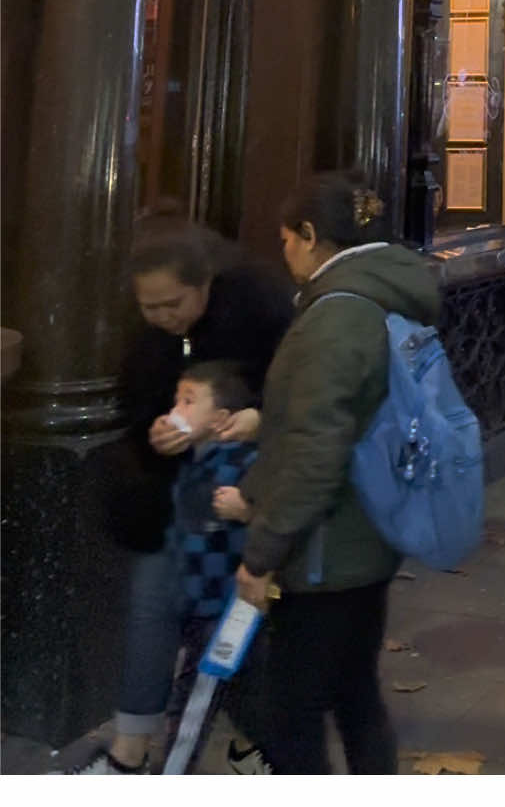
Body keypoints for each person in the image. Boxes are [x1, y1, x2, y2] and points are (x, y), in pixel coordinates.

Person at [235, 171, 440, 774]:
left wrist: (263, 552)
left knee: (295, 713)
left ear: (308, 235)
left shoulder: (335, 317)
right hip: (370, 534)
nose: (285, 256)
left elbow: (316, 453)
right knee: (355, 695)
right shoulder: (381, 296)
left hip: (326, 549)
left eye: (286, 242)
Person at [73, 220, 292, 774]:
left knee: (236, 632)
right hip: (172, 501)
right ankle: (129, 752)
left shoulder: (260, 312)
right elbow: (137, 400)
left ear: (205, 283)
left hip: (244, 501)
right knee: (154, 607)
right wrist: (155, 433)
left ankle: (259, 747)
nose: (163, 317)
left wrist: (255, 420)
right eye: (149, 307)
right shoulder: (147, 339)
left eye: (172, 303)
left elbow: (299, 401)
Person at [158, 362, 263, 768]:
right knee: (242, 694)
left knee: (192, 704)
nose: (175, 410)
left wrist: (248, 510)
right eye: (176, 399)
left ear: (220, 419)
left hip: (222, 608)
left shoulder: (241, 465)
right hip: (195, 602)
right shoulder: (193, 460)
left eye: (188, 401)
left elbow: (276, 514)